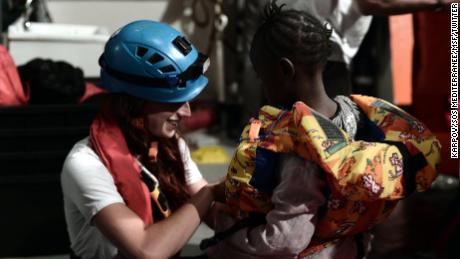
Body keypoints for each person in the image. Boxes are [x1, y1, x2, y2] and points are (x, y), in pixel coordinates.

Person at [204, 2, 440, 259]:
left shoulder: (295, 143)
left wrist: (221, 223)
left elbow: (285, 240)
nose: (262, 85)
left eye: (262, 76)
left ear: (284, 70)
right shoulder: (358, 115)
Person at [61, 20, 223, 259]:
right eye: (174, 101)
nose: (187, 112)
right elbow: (147, 250)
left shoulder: (170, 144)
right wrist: (209, 194)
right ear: (135, 103)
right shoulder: (85, 163)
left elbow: (214, 213)